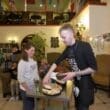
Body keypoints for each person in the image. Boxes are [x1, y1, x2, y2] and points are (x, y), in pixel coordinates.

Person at [43, 24, 97, 110]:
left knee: (83, 108)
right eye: (61, 37)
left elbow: (93, 68)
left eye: (64, 37)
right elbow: (57, 61)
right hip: (76, 84)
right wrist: (47, 75)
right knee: (77, 107)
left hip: (86, 85)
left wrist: (74, 73)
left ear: (72, 34)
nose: (62, 40)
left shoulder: (85, 46)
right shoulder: (68, 49)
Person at [17, 42, 40, 110]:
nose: (33, 52)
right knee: (28, 107)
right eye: (31, 50)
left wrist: (37, 87)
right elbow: (20, 78)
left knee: (32, 106)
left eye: (34, 50)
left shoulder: (33, 60)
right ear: (26, 50)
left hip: (34, 88)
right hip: (26, 89)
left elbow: (36, 73)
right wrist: (28, 90)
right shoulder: (22, 62)